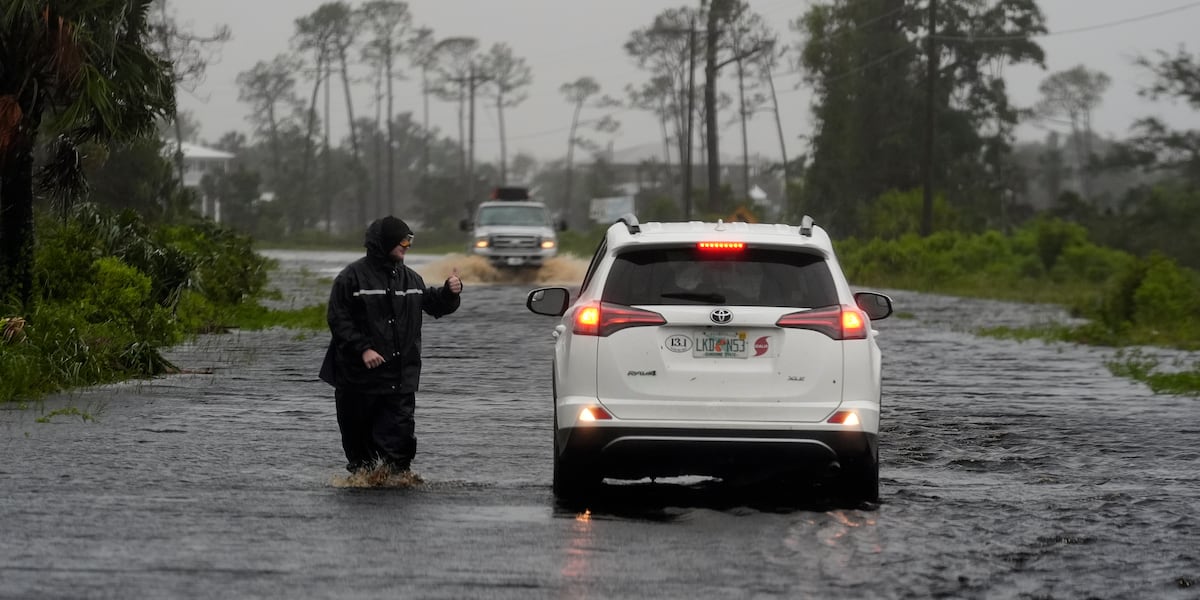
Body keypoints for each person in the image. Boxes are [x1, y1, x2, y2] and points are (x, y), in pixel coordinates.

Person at [319, 216, 463, 475]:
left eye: (410, 241)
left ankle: (396, 488)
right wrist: (363, 348)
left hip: (399, 381)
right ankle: (365, 491)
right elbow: (338, 320)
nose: (407, 246)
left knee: (398, 455)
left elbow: (434, 305)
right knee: (362, 459)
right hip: (357, 382)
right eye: (403, 241)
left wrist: (450, 293)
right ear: (385, 242)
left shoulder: (412, 280)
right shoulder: (351, 279)